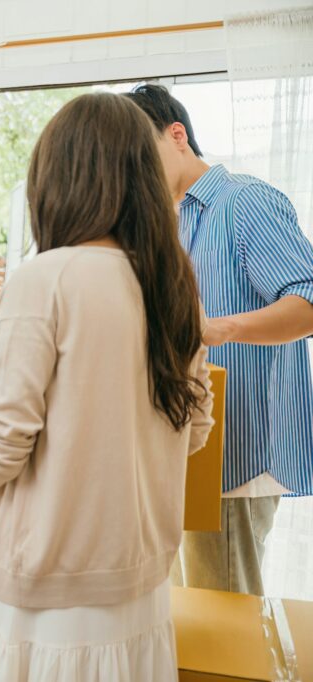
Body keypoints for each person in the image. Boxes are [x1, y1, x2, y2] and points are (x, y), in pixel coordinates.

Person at [0, 93, 213, 681]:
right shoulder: (173, 286)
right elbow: (193, 434)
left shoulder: (45, 278)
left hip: (38, 609)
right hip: (138, 605)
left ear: (56, 179)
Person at [127, 83, 313, 595]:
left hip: (240, 453)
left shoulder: (245, 203)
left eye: (142, 158)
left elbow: (308, 302)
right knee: (196, 618)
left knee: (226, 621)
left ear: (177, 135)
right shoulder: (170, 223)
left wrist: (221, 327)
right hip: (193, 448)